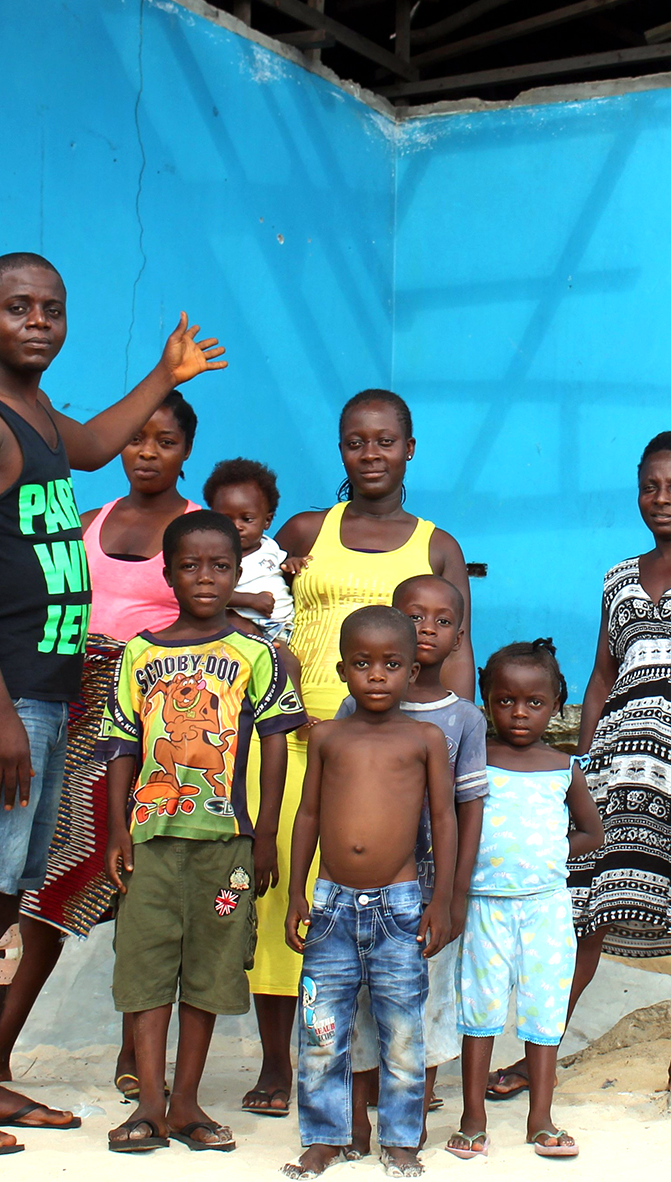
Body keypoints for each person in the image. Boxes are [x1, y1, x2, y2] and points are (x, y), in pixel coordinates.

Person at [0, 252, 225, 1156]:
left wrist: (165, 374)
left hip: (41, 693)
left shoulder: (33, 413)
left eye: (52, 309)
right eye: (17, 308)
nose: (37, 322)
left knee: (5, 892)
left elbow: (87, 447)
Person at [486, 430, 671, 1104]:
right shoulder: (618, 576)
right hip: (619, 767)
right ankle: (540, 1051)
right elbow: (600, 676)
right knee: (585, 907)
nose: (661, 498)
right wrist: (578, 770)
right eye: (650, 486)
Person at [242, 389, 473, 1118]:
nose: (369, 455)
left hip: (388, 751)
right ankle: (280, 1066)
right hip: (290, 737)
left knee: (387, 898)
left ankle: (385, 1070)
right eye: (354, 442)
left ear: (410, 447)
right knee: (283, 890)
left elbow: (456, 648)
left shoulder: (435, 544)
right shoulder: (307, 529)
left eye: (384, 441)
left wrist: (455, 739)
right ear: (339, 449)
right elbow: (263, 615)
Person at [0, 389, 201, 1098]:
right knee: (42, 887)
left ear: (186, 451)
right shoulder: (87, 521)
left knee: (143, 886)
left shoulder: (199, 533)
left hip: (154, 725)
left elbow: (211, 626)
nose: (147, 452)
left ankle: (134, 1053)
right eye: (135, 438)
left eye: (165, 440)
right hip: (68, 714)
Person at [98, 510, 308, 1153]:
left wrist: (266, 831)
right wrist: (116, 832)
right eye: (189, 566)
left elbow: (278, 743)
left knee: (212, 969)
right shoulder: (140, 652)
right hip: (152, 840)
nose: (206, 577)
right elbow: (119, 747)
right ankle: (150, 1104)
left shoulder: (257, 653)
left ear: (238, 570)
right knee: (146, 967)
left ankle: (187, 1101)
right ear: (168, 575)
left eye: (220, 566)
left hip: (227, 844)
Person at [281, 606, 457, 1180]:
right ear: (341, 670)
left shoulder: (426, 738)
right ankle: (325, 1136)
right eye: (362, 664)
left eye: (391, 664)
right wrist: (296, 896)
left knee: (403, 1030)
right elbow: (307, 815)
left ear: (413, 671)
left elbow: (444, 821)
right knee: (321, 1029)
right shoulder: (328, 736)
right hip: (330, 904)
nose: (376, 676)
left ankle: (402, 1138)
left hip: (400, 906)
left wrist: (442, 901)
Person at [337, 575, 487, 1149]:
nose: (428, 627)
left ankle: (414, 1112)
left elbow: (467, 810)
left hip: (428, 888)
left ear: (458, 637)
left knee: (421, 1002)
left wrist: (453, 893)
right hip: (365, 885)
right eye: (415, 615)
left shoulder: (464, 720)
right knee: (362, 1001)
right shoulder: (360, 700)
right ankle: (358, 1117)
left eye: (443, 620)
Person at [447, 639, 602, 1162]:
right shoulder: (474, 761)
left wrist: (550, 852)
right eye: (505, 700)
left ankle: (541, 1117)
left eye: (534, 703)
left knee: (544, 1011)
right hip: (483, 906)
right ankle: (472, 1117)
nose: (519, 713)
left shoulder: (563, 767)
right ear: (485, 701)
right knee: (479, 1010)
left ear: (557, 704)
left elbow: (592, 833)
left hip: (545, 907)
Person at [204, 458, 295, 645]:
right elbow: (212, 593)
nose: (237, 526)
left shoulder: (270, 546)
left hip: (281, 628)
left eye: (246, 519)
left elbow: (283, 566)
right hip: (241, 629)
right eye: (227, 519)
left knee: (289, 665)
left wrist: (294, 564)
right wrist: (250, 601)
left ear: (267, 521)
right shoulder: (214, 556)